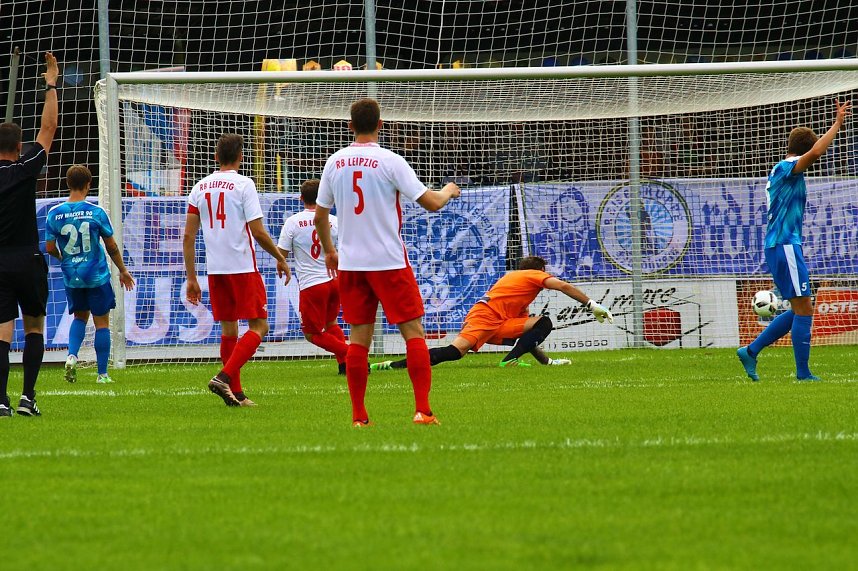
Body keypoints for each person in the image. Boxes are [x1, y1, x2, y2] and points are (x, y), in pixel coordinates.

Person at [314, 97, 461, 427]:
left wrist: (329, 250)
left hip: (352, 265)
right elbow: (432, 203)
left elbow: (321, 215)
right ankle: (423, 410)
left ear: (350, 126)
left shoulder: (334, 162)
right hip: (388, 262)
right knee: (413, 333)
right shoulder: (390, 161)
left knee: (358, 340)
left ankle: (359, 417)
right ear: (381, 125)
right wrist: (449, 190)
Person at [737, 99, 852, 382]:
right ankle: (803, 373)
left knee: (802, 306)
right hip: (785, 245)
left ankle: (751, 351)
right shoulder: (787, 167)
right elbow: (815, 152)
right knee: (803, 308)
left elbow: (811, 153)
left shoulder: (783, 170)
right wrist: (837, 124)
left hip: (782, 246)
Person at [183, 133, 291, 407]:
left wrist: (192, 278)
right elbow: (258, 232)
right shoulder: (244, 184)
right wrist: (280, 256)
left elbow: (188, 236)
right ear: (241, 157)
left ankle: (237, 394)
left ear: (216, 157)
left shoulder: (200, 187)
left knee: (229, 330)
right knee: (259, 325)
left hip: (216, 270)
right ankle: (224, 377)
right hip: (242, 267)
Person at [371, 256, 613, 371]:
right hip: (485, 317)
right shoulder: (530, 275)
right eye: (545, 271)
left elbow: (528, 338)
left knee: (541, 324)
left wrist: (547, 361)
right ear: (539, 270)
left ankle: (511, 360)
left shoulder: (516, 284)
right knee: (454, 352)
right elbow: (563, 286)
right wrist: (591, 304)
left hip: (494, 319)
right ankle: (392, 365)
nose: (547, 275)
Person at [0, 52, 58, 418]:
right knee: (34, 325)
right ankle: (27, 397)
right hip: (27, 257)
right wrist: (51, 84)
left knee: (2, 333)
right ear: (19, 148)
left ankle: (0, 400)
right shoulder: (25, 169)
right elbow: (48, 130)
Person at [45, 165, 135, 384]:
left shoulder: (54, 214)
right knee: (102, 323)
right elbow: (111, 246)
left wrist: (64, 258)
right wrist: (122, 270)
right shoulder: (96, 212)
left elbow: (49, 248)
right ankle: (102, 374)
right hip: (96, 275)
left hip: (72, 277)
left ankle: (72, 356)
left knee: (79, 317)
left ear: (67, 184)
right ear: (88, 184)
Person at [278, 179, 348, 373]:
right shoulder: (334, 221)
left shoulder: (293, 222)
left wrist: (281, 263)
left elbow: (281, 253)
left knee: (311, 334)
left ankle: (351, 354)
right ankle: (345, 365)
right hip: (335, 281)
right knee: (331, 323)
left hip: (312, 285)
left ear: (301, 198)